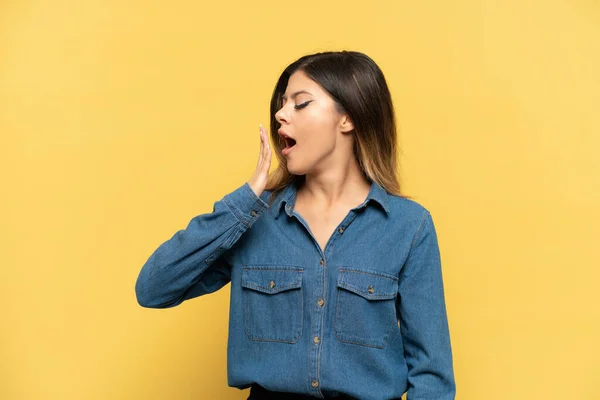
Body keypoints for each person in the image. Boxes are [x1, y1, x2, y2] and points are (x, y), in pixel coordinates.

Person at [135, 50, 456, 400]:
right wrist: (243, 203)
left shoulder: (409, 227)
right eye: (281, 103)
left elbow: (432, 375)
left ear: (347, 118)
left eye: (300, 104)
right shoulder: (256, 220)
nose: (280, 114)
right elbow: (154, 288)